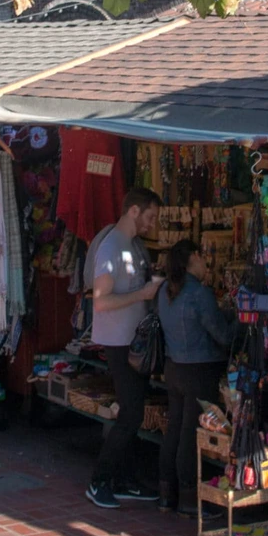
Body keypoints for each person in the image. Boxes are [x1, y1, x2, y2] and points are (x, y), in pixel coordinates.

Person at [85, 187, 165, 509]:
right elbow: (100, 302)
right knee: (130, 414)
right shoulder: (112, 248)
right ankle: (99, 480)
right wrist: (143, 295)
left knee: (133, 412)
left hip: (134, 342)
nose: (152, 223)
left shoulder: (133, 246)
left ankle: (123, 480)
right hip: (119, 343)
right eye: (150, 216)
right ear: (133, 211)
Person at [153, 240, 233, 515]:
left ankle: (167, 493)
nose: (206, 263)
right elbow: (222, 335)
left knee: (175, 429)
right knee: (191, 433)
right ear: (194, 258)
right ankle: (188, 497)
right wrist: (238, 322)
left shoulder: (165, 290)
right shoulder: (199, 293)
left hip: (174, 366)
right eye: (202, 257)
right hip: (199, 370)